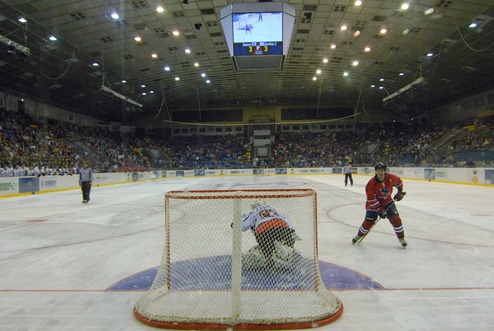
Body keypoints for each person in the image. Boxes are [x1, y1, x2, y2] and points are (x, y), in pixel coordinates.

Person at [352, 162, 408, 246]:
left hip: (387, 201)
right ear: (375, 172)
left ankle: (401, 238)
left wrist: (399, 192)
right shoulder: (371, 184)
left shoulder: (391, 178)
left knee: (396, 219)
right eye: (378, 171)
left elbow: (399, 183)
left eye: (382, 171)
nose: (380, 173)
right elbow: (371, 199)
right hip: (374, 204)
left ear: (385, 171)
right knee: (368, 222)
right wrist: (380, 210)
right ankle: (358, 235)